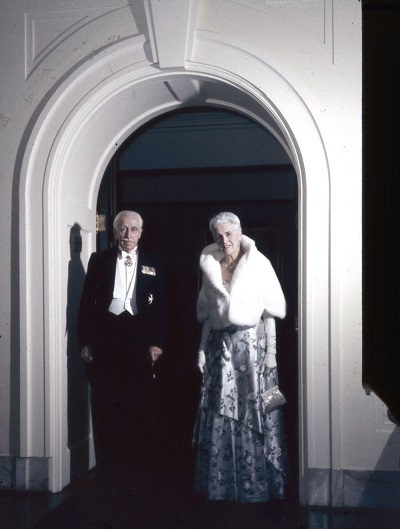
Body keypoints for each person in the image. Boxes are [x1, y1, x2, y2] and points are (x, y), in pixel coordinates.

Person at [193, 211, 287, 503]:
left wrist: (271, 353)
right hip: (221, 350)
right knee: (221, 411)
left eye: (229, 234)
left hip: (252, 347)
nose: (225, 240)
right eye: (219, 236)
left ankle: (259, 486)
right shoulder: (210, 266)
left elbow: (271, 311)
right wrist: (200, 348)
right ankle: (223, 488)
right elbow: (208, 315)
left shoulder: (258, 263)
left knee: (258, 410)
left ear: (239, 232)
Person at [77, 210, 167, 484]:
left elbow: (164, 307)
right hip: (107, 335)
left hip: (139, 335)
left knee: (138, 400)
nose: (128, 235)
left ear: (141, 232)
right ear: (115, 232)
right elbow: (86, 304)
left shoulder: (154, 262)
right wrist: (85, 341)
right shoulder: (99, 260)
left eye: (133, 229)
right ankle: (108, 465)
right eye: (123, 229)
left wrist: (157, 342)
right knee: (106, 399)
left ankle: (135, 464)